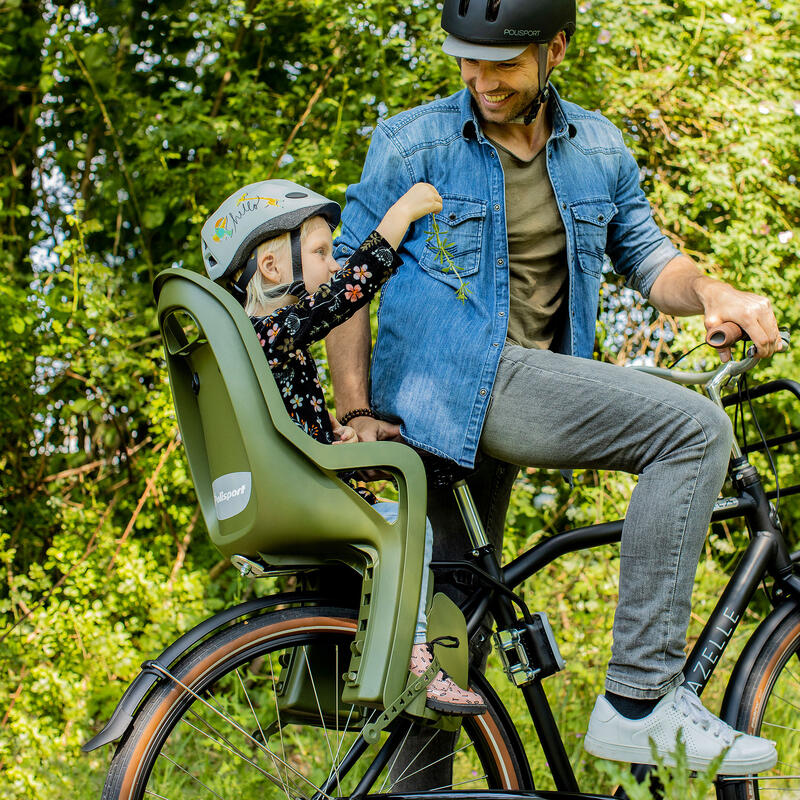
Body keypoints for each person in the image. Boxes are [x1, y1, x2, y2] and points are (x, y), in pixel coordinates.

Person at [327, 0, 783, 776]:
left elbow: (649, 259)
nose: (480, 79)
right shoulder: (414, 140)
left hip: (513, 395)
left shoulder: (597, 149)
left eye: (501, 63)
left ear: (554, 50)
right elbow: (348, 274)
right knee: (694, 430)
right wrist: (354, 408)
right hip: (453, 388)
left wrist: (713, 292)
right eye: (466, 59)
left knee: (448, 643)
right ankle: (641, 699)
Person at [200, 177, 486, 715]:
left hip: (282, 493)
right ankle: (415, 657)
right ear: (271, 268)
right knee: (411, 523)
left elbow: (280, 420)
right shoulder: (271, 330)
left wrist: (331, 434)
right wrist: (398, 217)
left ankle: (329, 664)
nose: (332, 264)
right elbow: (342, 297)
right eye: (320, 251)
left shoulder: (254, 346)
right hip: (298, 500)